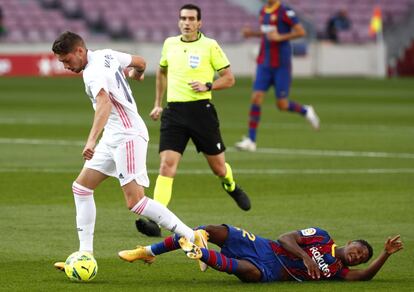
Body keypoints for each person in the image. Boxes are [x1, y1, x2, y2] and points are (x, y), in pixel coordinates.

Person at [50, 31, 208, 271]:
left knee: (135, 202)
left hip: (128, 136)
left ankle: (192, 235)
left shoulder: (93, 72)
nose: (65, 66)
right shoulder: (106, 55)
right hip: (113, 136)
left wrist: (91, 141)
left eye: (67, 60)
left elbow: (105, 103)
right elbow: (141, 62)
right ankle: (85, 254)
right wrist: (137, 74)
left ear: (80, 51)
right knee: (81, 188)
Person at [136, 4, 251, 237]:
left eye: (191, 19)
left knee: (218, 167)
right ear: (179, 22)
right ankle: (156, 221)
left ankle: (230, 184)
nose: (186, 22)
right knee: (166, 166)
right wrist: (158, 103)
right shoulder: (170, 43)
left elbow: (229, 79)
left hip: (202, 112)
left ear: (200, 23)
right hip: (174, 112)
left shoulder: (210, 46)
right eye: (183, 18)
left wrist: (209, 85)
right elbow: (161, 72)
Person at [119, 224, 403, 283]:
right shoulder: (322, 236)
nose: (357, 255)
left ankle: (199, 254)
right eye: (358, 249)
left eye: (361, 256)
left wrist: (385, 255)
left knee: (245, 271)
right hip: (265, 246)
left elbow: (364, 277)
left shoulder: (337, 272)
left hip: (272, 272)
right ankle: (148, 251)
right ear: (350, 241)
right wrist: (305, 257)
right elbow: (285, 237)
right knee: (215, 230)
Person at [235, 0, 320, 152]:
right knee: (256, 98)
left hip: (281, 64)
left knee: (282, 105)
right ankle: (251, 140)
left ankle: (306, 111)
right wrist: (251, 34)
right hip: (264, 63)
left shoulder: (285, 11)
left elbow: (301, 31)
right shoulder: (263, 11)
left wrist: (280, 37)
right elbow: (266, 33)